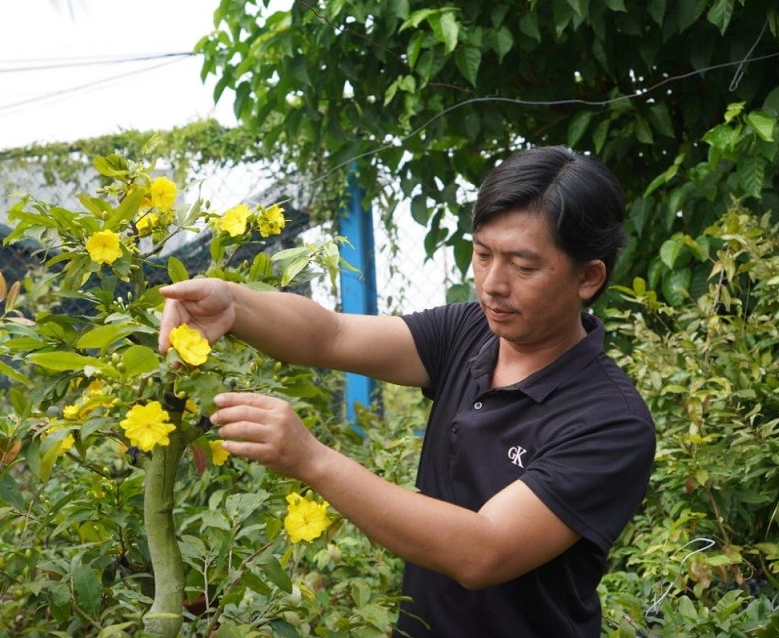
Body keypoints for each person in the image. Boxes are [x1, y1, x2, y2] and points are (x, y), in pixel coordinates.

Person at [158, 145, 655, 637]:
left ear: (588, 277)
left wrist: (312, 460)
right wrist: (235, 305)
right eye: (483, 255)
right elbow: (332, 335)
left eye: (523, 267)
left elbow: (483, 551)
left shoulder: (610, 420)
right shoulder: (469, 332)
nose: (492, 285)